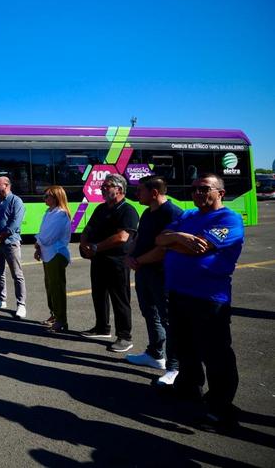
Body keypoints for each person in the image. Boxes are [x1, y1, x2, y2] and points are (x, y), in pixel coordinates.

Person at [157, 174, 244, 432]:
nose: (197, 193)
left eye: (204, 189)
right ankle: (188, 386)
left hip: (208, 298)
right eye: (194, 188)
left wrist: (173, 242)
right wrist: (180, 236)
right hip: (179, 292)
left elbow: (199, 248)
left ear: (220, 193)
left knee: (216, 353)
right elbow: (159, 239)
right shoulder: (188, 215)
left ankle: (221, 408)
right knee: (184, 345)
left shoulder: (229, 219)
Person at [124, 176, 183, 383]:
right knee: (150, 313)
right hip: (144, 272)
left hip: (162, 274)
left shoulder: (172, 213)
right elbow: (139, 238)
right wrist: (130, 255)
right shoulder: (147, 212)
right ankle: (155, 354)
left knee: (169, 319)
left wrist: (137, 260)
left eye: (140, 190)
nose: (137, 194)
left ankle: (175, 367)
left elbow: (165, 249)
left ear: (154, 193)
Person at [79, 174, 139, 352]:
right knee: (98, 294)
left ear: (119, 189)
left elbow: (122, 237)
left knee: (120, 299)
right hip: (98, 260)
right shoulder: (101, 208)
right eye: (102, 186)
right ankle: (102, 327)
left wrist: (96, 247)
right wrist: (84, 245)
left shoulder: (128, 210)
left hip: (117, 261)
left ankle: (124, 336)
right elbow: (88, 228)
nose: (102, 188)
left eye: (107, 186)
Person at [0, 176, 28, 318]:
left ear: (6, 185)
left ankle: (21, 304)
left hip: (10, 242)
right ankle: (1, 299)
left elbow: (16, 221)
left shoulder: (16, 201)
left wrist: (2, 235)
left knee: (17, 274)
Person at [34, 186, 72, 333]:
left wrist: (38, 243)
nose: (44, 198)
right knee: (50, 287)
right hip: (47, 254)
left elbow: (49, 236)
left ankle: (62, 320)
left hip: (56, 254)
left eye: (47, 196)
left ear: (56, 198)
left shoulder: (61, 214)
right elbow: (42, 232)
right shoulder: (49, 212)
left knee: (57, 288)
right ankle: (55, 315)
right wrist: (38, 247)